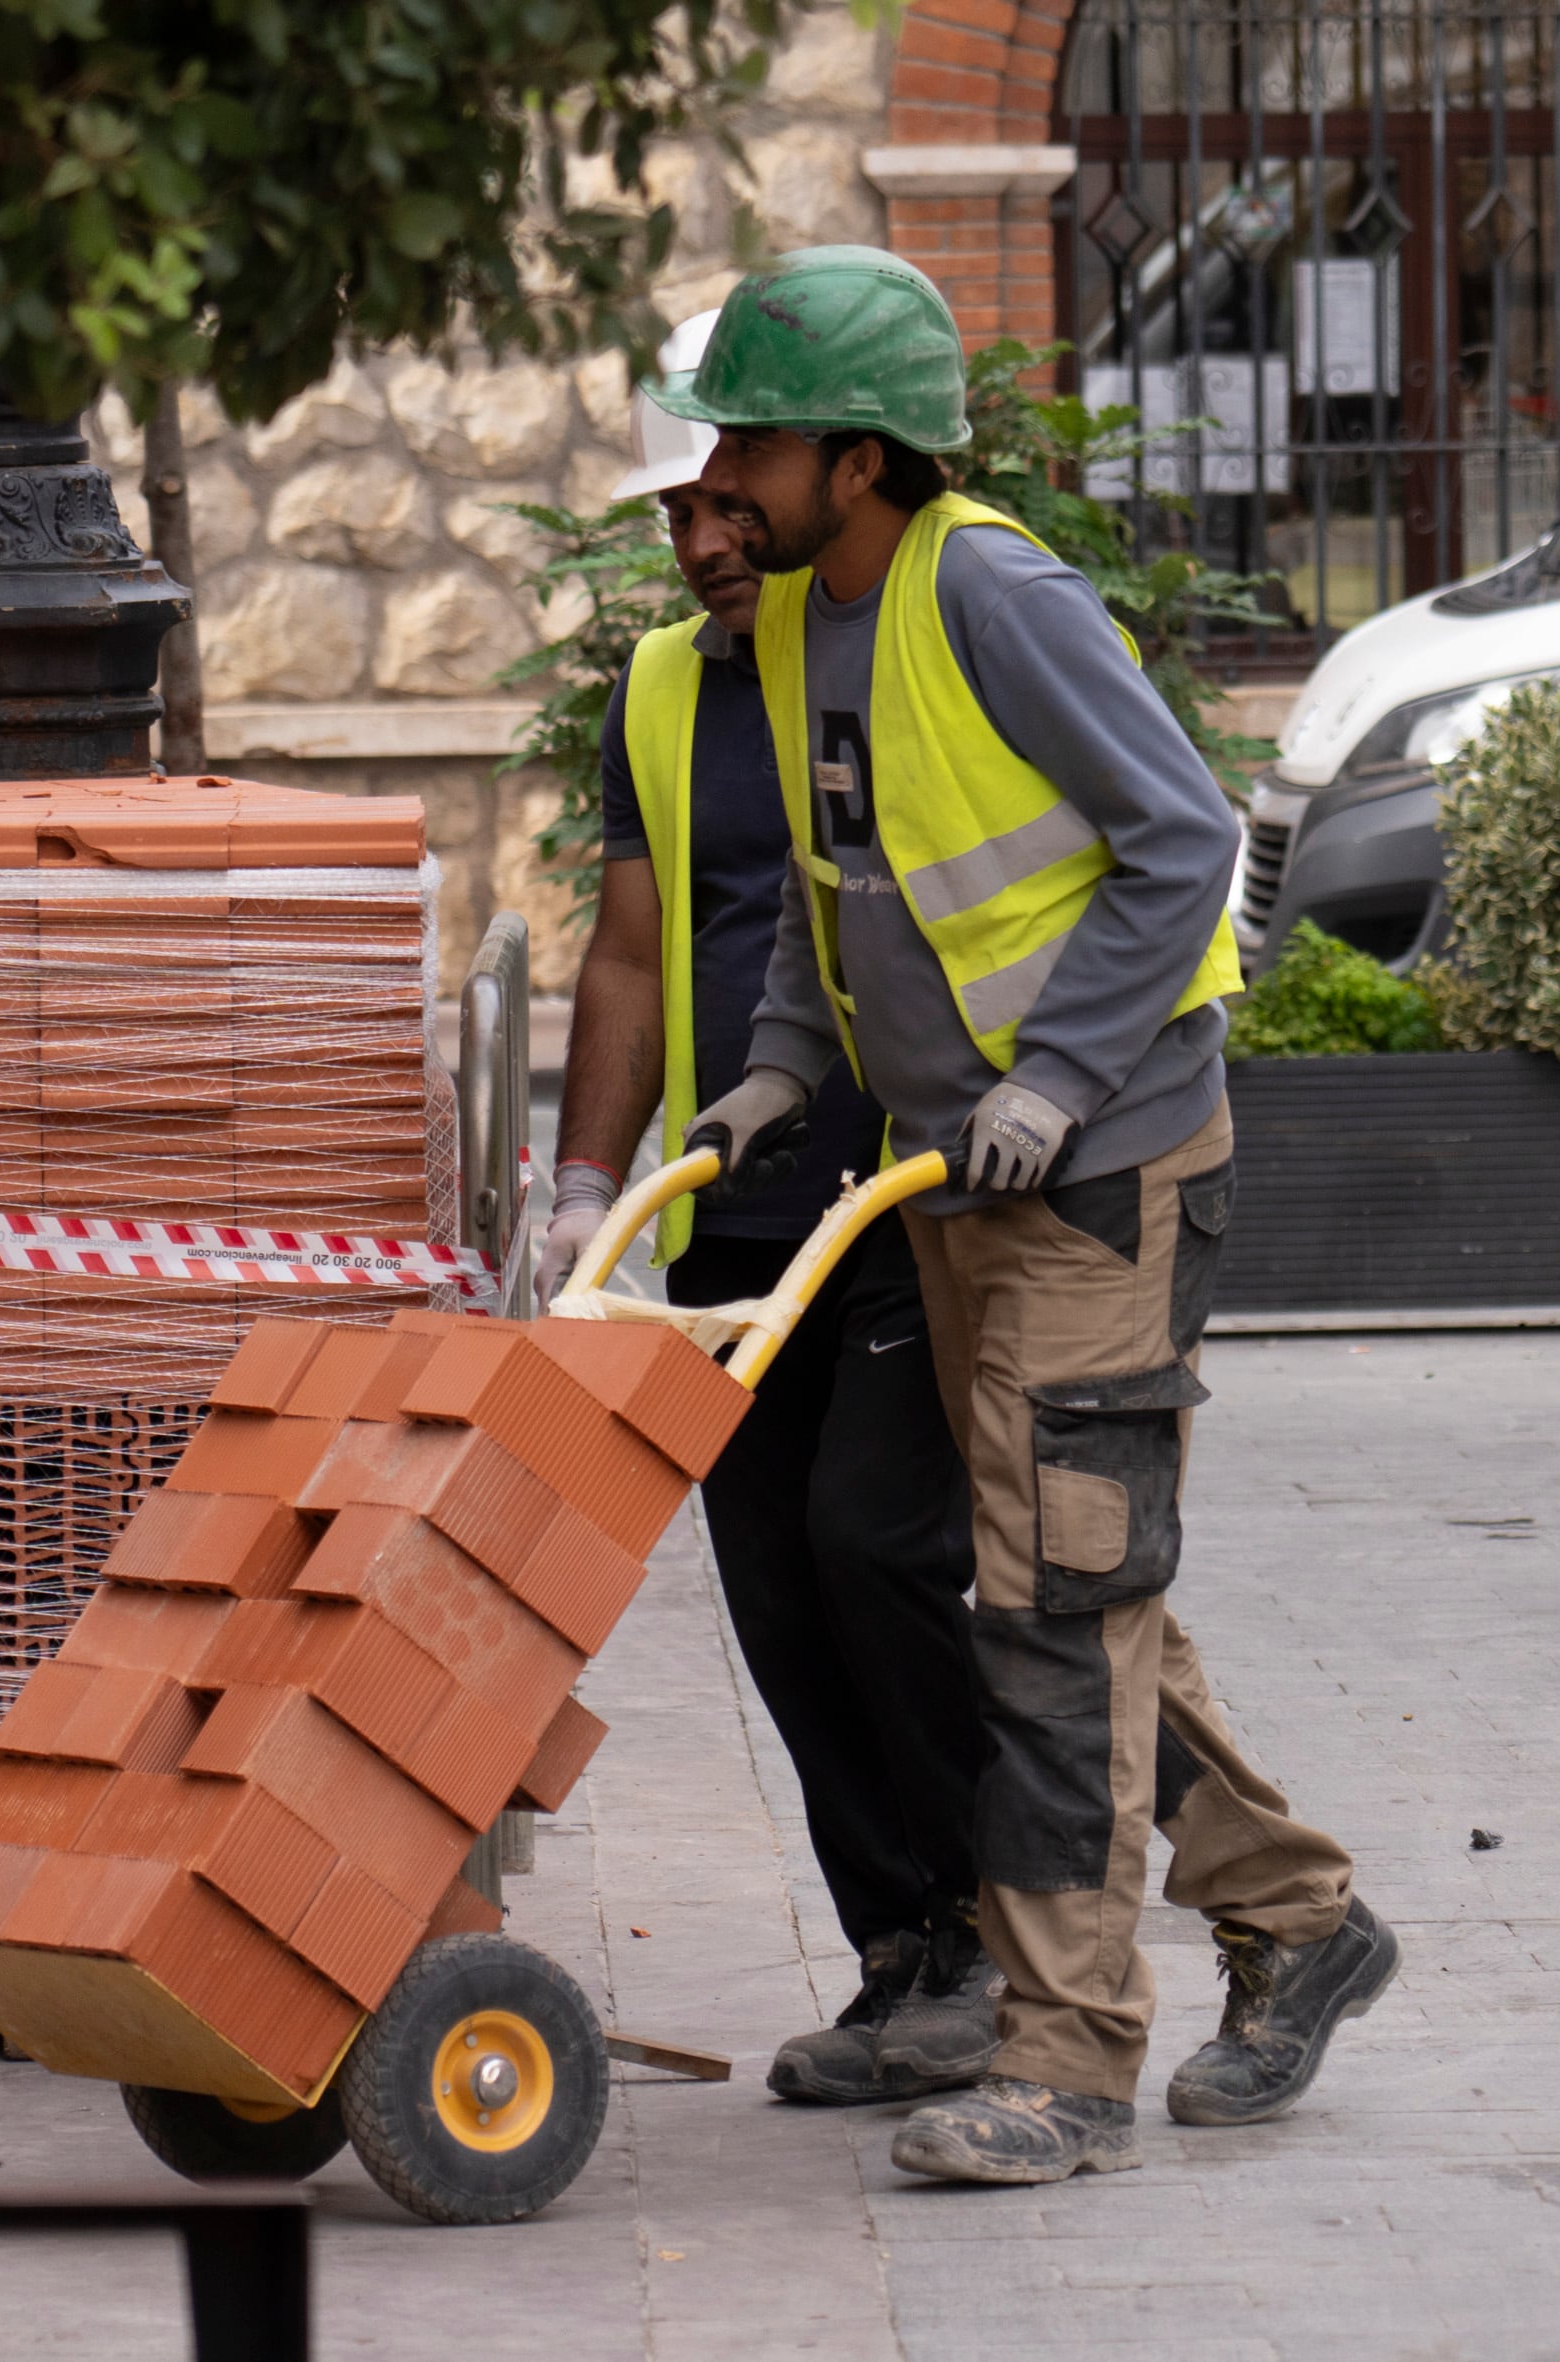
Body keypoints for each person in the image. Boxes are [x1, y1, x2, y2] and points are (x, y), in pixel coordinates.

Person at [659, 246, 1394, 2188]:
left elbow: (1182, 831)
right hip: (941, 1179)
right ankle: (1302, 1916)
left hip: (1099, 1168)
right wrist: (769, 1068)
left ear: (860, 451)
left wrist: (1057, 1071)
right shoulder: (822, 616)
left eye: (755, 436)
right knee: (1003, 1567)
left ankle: (1064, 2059)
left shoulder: (985, 586)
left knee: (1056, 1611)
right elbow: (852, 890)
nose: (721, 474)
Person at [536, 312, 1000, 2106]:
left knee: (879, 1547)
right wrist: (583, 1190)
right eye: (681, 512)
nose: (711, 538)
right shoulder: (660, 689)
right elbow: (635, 947)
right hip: (736, 1213)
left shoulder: (886, 647)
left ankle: (994, 1931)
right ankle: (898, 1950)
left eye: (732, 501)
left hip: (906, 1186)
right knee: (775, 1588)